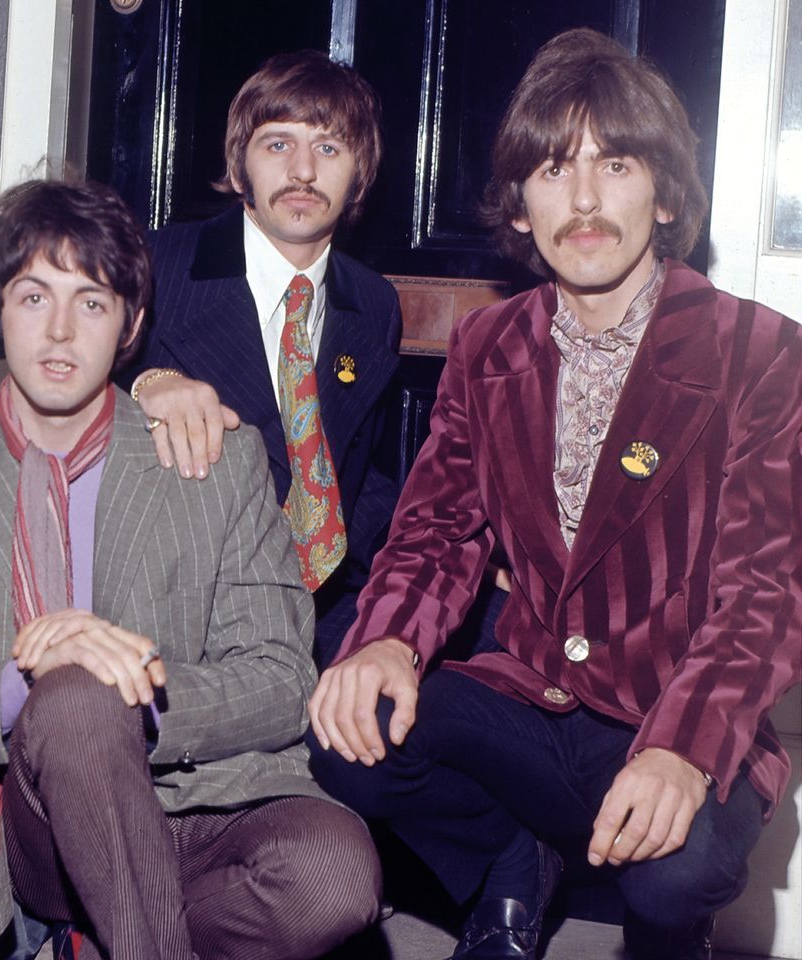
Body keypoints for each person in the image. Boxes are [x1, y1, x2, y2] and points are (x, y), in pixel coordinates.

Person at [307, 27, 801, 960]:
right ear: (520, 210)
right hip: (531, 697)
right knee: (348, 728)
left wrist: (682, 750)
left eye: (614, 165)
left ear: (664, 195)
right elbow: (437, 531)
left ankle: (665, 930)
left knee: (674, 870)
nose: (583, 200)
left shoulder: (760, 352)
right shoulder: (490, 345)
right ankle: (511, 860)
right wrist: (385, 645)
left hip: (671, 703)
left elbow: (767, 594)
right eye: (550, 170)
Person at [0, 178, 379, 960]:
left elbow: (284, 681)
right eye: (33, 296)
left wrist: (132, 681)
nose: (58, 332)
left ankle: (116, 934)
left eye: (91, 302)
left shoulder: (219, 457)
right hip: (39, 824)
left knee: (334, 877)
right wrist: (33, 678)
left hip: (206, 797)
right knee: (73, 697)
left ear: (131, 325)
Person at [120, 50, 403, 666]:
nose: (303, 171)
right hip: (190, 613)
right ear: (240, 164)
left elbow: (359, 475)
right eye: (278, 145)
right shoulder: (156, 266)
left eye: (329, 149)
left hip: (331, 605)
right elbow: (71, 397)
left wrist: (443, 564)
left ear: (360, 172)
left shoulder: (374, 304)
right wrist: (148, 381)